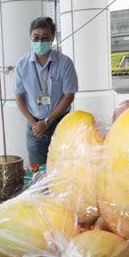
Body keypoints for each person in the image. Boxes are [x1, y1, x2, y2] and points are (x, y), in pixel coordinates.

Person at [15, 16, 78, 166]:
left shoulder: (65, 63)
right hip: (35, 127)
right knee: (38, 173)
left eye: (45, 38)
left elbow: (69, 96)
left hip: (60, 122)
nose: (40, 42)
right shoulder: (22, 65)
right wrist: (35, 124)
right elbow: (19, 97)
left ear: (52, 38)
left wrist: (47, 121)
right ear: (30, 37)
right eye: (35, 38)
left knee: (63, 168)